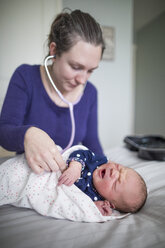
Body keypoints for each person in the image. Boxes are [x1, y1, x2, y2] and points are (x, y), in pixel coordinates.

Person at [0, 9, 105, 174]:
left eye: (91, 70)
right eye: (76, 67)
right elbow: (4, 133)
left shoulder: (90, 93)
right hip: (30, 176)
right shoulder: (25, 77)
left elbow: (92, 143)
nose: (82, 80)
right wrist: (28, 134)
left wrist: (106, 168)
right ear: (54, 51)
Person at [58, 149, 148, 214]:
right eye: (119, 168)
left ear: (110, 204)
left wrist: (94, 207)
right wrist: (75, 167)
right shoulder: (98, 162)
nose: (114, 172)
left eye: (115, 183)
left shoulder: (94, 199)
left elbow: (76, 205)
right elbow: (82, 153)